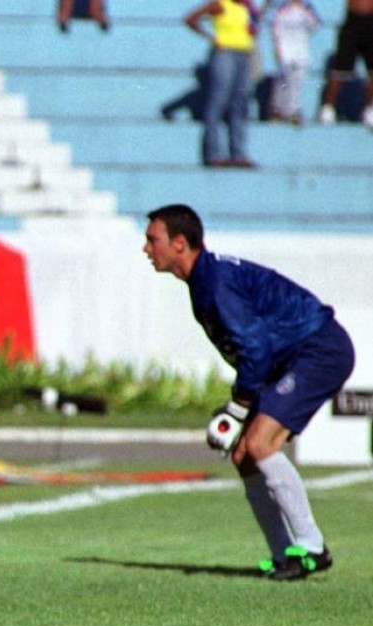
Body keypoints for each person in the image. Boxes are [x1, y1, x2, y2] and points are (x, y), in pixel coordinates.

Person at [141, 204, 353, 581]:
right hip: (290, 357)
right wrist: (239, 406)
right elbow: (252, 349)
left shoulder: (214, 283)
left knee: (259, 445)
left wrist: (238, 408)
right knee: (244, 454)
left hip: (318, 348)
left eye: (151, 240)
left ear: (178, 243)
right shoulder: (203, 281)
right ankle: (284, 555)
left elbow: (254, 347)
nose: (146, 248)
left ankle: (312, 547)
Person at [185, 0, 260, 168]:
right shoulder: (220, 4)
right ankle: (213, 154)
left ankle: (238, 154)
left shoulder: (246, 7)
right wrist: (211, 37)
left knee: (240, 104)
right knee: (219, 100)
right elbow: (190, 19)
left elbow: (254, 26)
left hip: (244, 53)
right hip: (225, 53)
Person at [318, 0, 373, 125]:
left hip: (371, 24)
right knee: (339, 71)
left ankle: (369, 110)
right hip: (353, 22)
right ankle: (328, 109)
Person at [268, 0, 322, 124]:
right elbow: (275, 31)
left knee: (297, 82)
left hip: (301, 53)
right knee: (283, 82)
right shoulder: (282, 10)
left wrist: (303, 9)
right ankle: (277, 111)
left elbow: (315, 25)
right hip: (285, 52)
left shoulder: (307, 9)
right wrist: (277, 50)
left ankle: (293, 111)